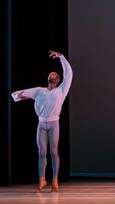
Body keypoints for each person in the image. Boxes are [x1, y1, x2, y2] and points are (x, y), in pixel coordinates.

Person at [11, 51, 73, 193]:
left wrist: (62, 58)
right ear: (48, 78)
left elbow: (69, 75)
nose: (53, 74)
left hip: (53, 124)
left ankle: (55, 179)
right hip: (42, 124)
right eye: (51, 74)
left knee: (54, 151)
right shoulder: (40, 91)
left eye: (55, 75)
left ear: (57, 80)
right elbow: (23, 94)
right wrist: (19, 96)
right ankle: (42, 180)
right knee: (42, 152)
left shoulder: (61, 91)